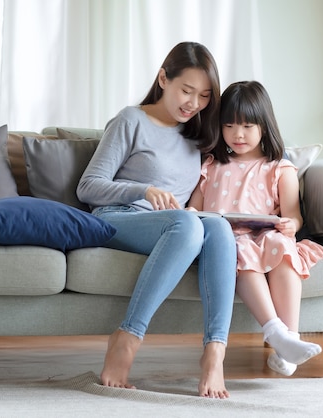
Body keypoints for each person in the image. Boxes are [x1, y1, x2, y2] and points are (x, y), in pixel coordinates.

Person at [76, 42, 237, 398]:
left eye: (205, 96)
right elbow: (88, 187)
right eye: (186, 90)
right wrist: (143, 191)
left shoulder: (197, 135)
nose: (193, 103)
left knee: (219, 228)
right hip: (120, 219)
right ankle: (127, 338)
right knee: (186, 224)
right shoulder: (130, 120)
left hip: (177, 228)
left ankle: (215, 353)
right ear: (164, 78)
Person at [187, 81, 323, 376]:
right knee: (238, 251)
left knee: (285, 247)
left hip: (265, 236)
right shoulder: (211, 166)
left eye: (248, 126)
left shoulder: (279, 168)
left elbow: (293, 216)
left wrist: (291, 225)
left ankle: (290, 339)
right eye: (229, 125)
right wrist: (188, 213)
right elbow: (194, 209)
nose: (238, 134)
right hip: (224, 241)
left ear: (264, 126)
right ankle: (277, 334)